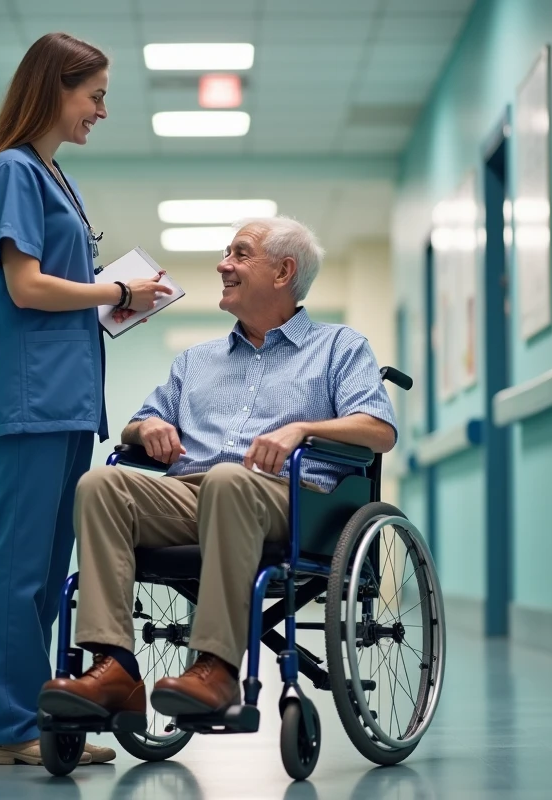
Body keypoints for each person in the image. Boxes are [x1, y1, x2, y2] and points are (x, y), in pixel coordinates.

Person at [37, 217, 397, 721]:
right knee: (101, 484)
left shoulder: (339, 346)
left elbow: (379, 428)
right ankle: (114, 666)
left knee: (230, 481)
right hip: (190, 495)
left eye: (240, 254)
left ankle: (217, 667)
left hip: (292, 499)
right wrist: (147, 431)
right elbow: (136, 425)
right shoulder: (196, 362)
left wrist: (303, 429)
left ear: (283, 272)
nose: (222, 265)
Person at [0, 32, 173, 767]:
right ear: (56, 88)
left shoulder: (52, 176)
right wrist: (118, 291)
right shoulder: (12, 172)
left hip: (63, 398)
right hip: (30, 399)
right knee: (20, 569)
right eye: (96, 95)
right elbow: (26, 286)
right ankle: (5, 728)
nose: (102, 111)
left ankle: (33, 721)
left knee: (49, 573)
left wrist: (113, 303)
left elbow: (53, 285)